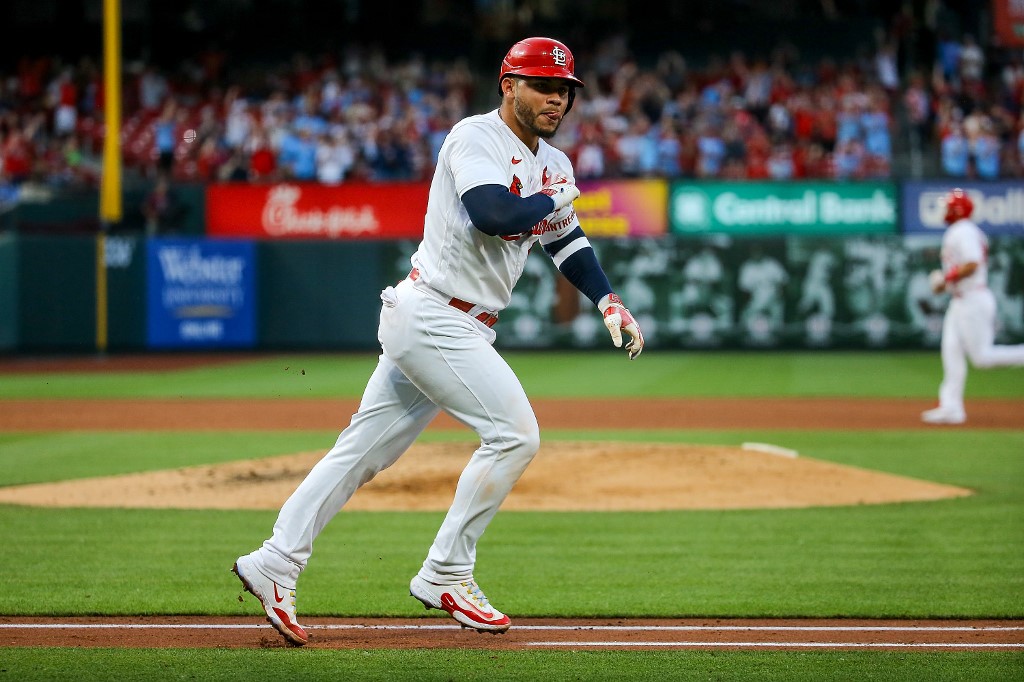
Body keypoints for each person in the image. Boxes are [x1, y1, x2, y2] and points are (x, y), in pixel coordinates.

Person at [231, 37, 645, 646]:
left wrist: (608, 300)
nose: (556, 99)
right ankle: (446, 572)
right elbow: (493, 215)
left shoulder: (554, 166)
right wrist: (558, 198)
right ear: (508, 85)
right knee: (515, 435)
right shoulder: (474, 136)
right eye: (542, 86)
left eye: (564, 90)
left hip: (456, 322)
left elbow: (567, 243)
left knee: (359, 454)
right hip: (435, 315)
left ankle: (274, 563)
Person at [921, 188, 1024, 425]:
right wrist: (944, 286)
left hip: (973, 300)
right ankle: (951, 407)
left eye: (948, 206)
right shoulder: (962, 231)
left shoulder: (963, 231)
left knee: (982, 358)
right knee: (951, 351)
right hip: (961, 300)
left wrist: (945, 280)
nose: (944, 210)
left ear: (957, 210)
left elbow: (972, 264)